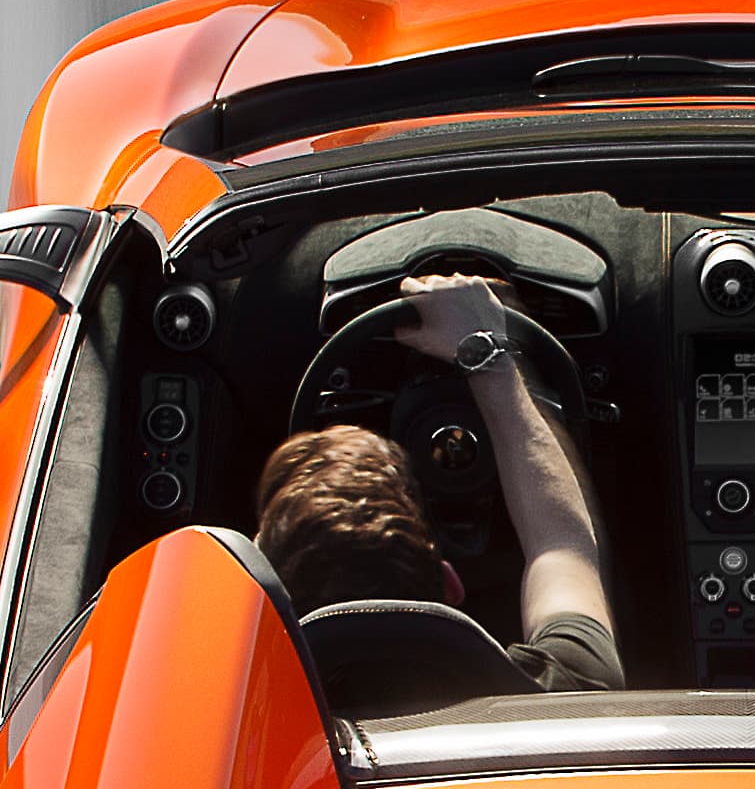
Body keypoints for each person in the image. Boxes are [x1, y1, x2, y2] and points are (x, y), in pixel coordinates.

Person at [252, 270, 623, 690]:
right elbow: (560, 544)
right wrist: (486, 353)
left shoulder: (225, 713)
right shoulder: (570, 685)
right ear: (450, 584)